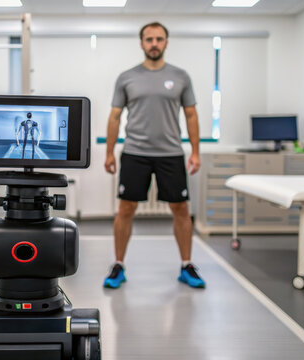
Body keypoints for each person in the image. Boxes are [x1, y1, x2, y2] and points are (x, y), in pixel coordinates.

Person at [103, 22, 205, 289]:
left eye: (159, 39)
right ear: (141, 43)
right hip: (134, 153)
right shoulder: (127, 77)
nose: (154, 44)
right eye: (149, 39)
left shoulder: (181, 76)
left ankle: (186, 265)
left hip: (170, 153)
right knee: (126, 208)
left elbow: (191, 114)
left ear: (166, 42)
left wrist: (195, 151)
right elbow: (114, 116)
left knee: (181, 208)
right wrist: (109, 152)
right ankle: (118, 265)